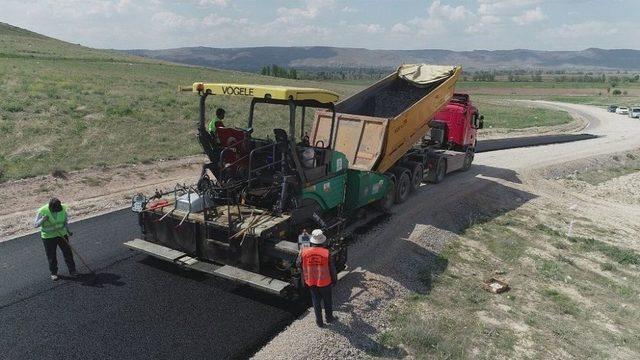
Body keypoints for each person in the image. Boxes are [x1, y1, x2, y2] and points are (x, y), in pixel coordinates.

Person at [299, 229, 338, 328]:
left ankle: (319, 322)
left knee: (316, 301)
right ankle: (329, 318)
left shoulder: (304, 252)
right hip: (325, 282)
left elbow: (298, 263)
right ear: (322, 241)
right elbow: (332, 269)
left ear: (312, 241)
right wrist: (334, 280)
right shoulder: (326, 253)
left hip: (311, 281)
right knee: (327, 301)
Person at [34, 198, 78, 281]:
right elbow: (35, 225)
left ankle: (72, 271)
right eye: (55, 210)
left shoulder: (62, 208)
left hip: (62, 234)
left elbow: (65, 221)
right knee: (51, 256)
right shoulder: (43, 211)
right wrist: (43, 219)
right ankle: (54, 273)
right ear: (50, 207)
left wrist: (68, 231)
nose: (57, 211)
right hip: (48, 237)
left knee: (68, 253)